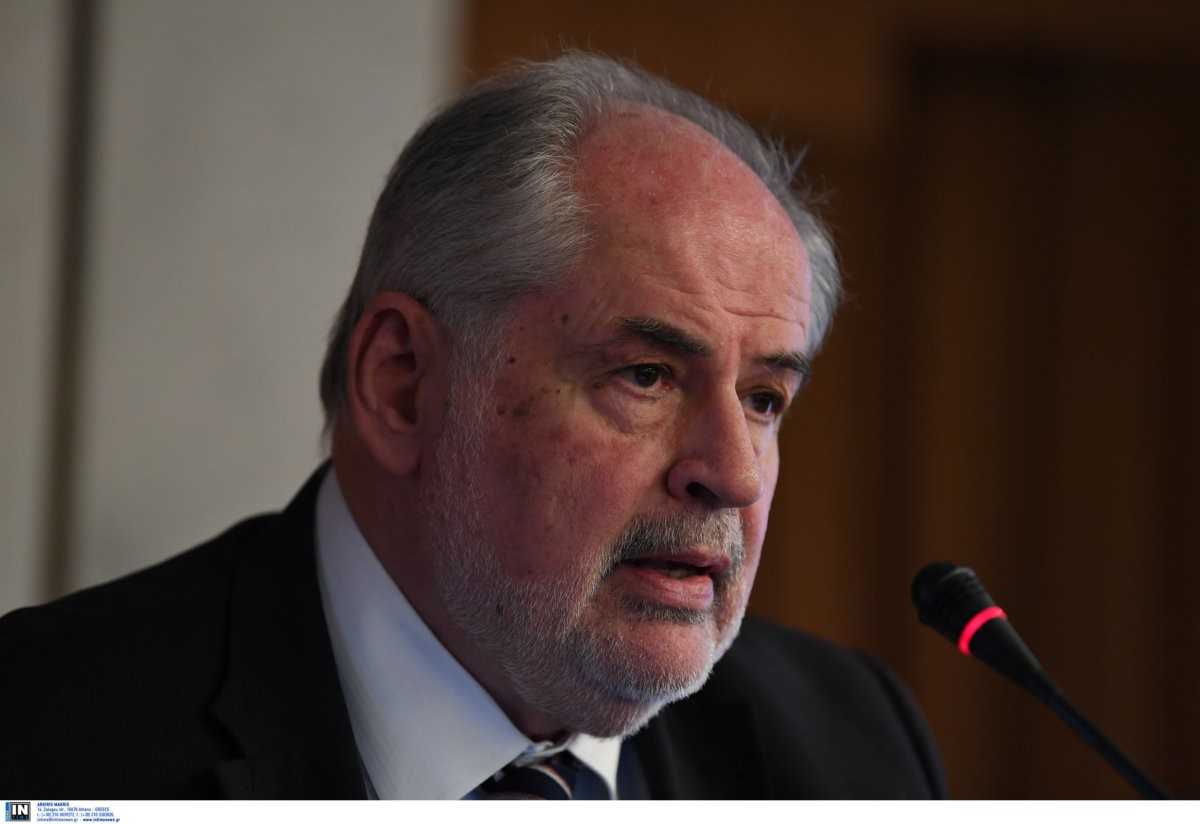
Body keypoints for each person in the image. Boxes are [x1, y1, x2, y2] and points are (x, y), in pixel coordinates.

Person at [0, 53, 945, 799]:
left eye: (764, 399)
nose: (733, 473)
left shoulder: (852, 748)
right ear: (403, 385)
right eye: (647, 377)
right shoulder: (45, 738)